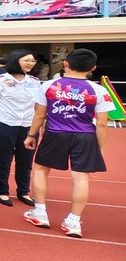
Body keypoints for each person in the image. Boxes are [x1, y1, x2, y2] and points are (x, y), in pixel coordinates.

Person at [23, 49, 112, 238]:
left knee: (40, 170)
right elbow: (102, 124)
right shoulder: (99, 90)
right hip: (85, 136)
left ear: (65, 64)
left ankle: (40, 213)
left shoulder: (49, 85)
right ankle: (73, 221)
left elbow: (39, 114)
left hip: (55, 134)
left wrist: (31, 135)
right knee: (81, 178)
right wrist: (100, 147)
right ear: (93, 68)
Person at [0, 49, 41, 207]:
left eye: (33, 61)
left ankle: (23, 191)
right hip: (4, 123)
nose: (31, 63)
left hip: (28, 126)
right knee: (3, 160)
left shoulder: (34, 81)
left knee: (26, 161)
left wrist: (40, 126)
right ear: (15, 61)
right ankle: (2, 191)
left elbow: (38, 106)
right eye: (27, 60)